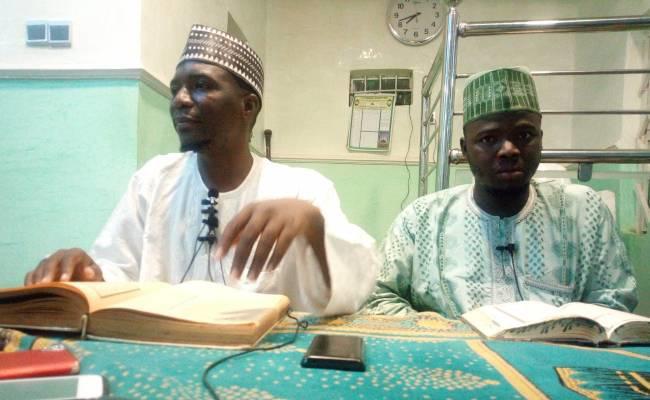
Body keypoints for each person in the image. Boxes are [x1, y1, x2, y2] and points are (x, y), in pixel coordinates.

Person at [25, 25, 378, 316]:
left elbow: (357, 284)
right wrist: (86, 273)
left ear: (248, 106)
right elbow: (118, 274)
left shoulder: (303, 190)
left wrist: (314, 229)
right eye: (176, 88)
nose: (179, 99)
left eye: (201, 86)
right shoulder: (153, 181)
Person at [364, 67, 638, 318]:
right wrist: (443, 335)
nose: (509, 150)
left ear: (541, 139)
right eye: (489, 139)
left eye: (524, 135)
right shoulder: (421, 219)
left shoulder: (584, 212)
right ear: (465, 149)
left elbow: (614, 302)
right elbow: (378, 297)